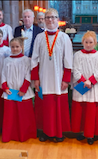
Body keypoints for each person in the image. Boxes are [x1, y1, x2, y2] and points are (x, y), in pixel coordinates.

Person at [31, 8, 73, 142]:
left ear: (58, 20)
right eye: (47, 17)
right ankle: (45, 132)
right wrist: (35, 79)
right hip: (43, 78)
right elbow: (34, 59)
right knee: (45, 108)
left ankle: (58, 133)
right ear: (44, 20)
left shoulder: (64, 37)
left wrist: (66, 79)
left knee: (57, 107)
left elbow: (68, 60)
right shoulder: (39, 37)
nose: (50, 20)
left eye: (53, 17)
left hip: (59, 78)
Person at [72, 31, 98, 145]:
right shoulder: (78, 55)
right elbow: (75, 70)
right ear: (83, 42)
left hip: (93, 87)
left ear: (95, 43)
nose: (88, 44)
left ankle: (90, 134)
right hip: (81, 86)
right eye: (86, 42)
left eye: (91, 42)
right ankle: (83, 132)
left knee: (91, 112)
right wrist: (83, 81)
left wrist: (90, 81)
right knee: (82, 111)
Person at [1, 37, 36, 142]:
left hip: (23, 93)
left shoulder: (26, 60)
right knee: (10, 116)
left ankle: (24, 135)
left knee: (24, 116)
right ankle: (10, 135)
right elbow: (3, 75)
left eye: (17, 47)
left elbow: (28, 76)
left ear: (21, 47)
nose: (15, 49)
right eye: (12, 47)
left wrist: (23, 89)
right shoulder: (6, 60)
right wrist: (5, 88)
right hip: (10, 92)